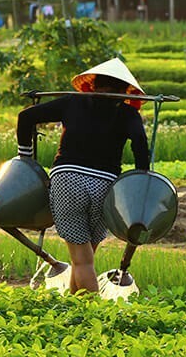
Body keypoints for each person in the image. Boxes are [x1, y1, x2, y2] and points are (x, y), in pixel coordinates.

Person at [16, 58, 150, 295]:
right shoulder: (128, 113)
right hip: (106, 187)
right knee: (85, 257)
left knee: (82, 260)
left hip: (68, 181)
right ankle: (74, 305)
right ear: (124, 90)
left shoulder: (73, 102)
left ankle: (91, 314)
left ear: (92, 85)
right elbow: (140, 145)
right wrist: (141, 179)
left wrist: (25, 158)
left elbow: (25, 118)